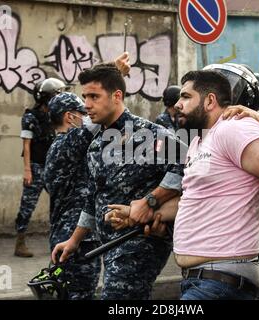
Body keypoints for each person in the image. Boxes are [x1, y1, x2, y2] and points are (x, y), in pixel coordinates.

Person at [51, 62, 185, 300]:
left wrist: (150, 201)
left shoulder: (146, 134)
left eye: (94, 96)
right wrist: (73, 240)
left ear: (117, 96)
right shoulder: (96, 145)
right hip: (109, 247)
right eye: (85, 97)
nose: (87, 105)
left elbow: (188, 163)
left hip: (138, 243)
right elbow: (92, 200)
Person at [172, 69, 259, 300]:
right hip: (202, 278)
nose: (177, 104)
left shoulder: (233, 127)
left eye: (185, 96)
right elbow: (195, 198)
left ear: (210, 100)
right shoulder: (198, 141)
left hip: (221, 278)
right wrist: (145, 212)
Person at [43, 92, 101, 299]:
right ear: (70, 117)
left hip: (69, 235)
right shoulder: (67, 144)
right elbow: (98, 123)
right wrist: (114, 75)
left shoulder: (58, 147)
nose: (88, 115)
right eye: (83, 112)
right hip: (75, 238)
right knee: (80, 294)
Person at [14, 78, 66, 257]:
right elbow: (26, 144)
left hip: (52, 167)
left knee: (59, 203)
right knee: (27, 205)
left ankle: (58, 240)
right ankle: (20, 242)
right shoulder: (30, 116)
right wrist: (27, 169)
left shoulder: (54, 115)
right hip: (36, 167)